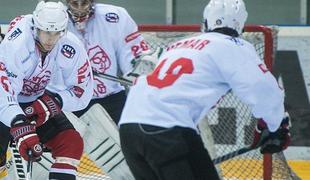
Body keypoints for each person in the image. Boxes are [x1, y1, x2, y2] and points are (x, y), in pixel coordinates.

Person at [118, 0, 291, 179]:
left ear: (206, 21)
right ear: (241, 25)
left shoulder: (177, 46)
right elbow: (264, 90)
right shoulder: (233, 46)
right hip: (166, 131)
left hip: (129, 130)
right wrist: (275, 125)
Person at [0, 1, 93, 179]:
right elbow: (3, 93)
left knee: (71, 143)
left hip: (34, 101)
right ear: (36, 27)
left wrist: (55, 101)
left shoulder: (70, 45)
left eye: (56, 33)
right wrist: (20, 125)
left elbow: (83, 91)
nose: (51, 39)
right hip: (5, 104)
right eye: (46, 32)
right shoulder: (17, 42)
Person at [65, 0, 151, 124]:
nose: (79, 9)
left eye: (83, 3)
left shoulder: (115, 17)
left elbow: (133, 56)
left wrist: (140, 77)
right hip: (71, 101)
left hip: (112, 97)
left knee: (126, 139)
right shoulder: (55, 19)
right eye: (74, 3)